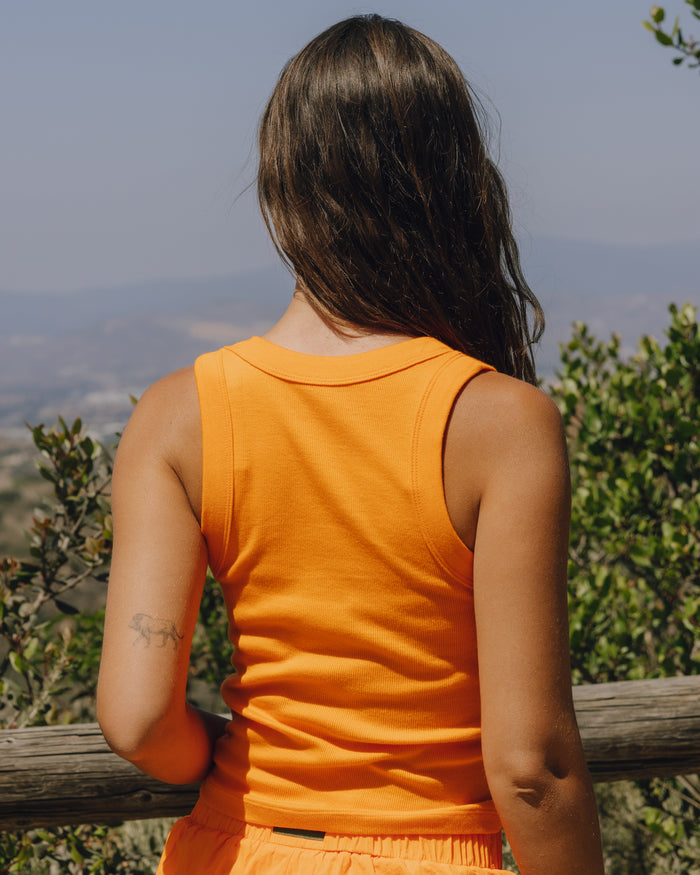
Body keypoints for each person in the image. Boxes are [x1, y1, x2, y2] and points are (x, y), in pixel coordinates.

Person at [97, 14, 605, 875]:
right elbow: (532, 768)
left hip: (234, 848)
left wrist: (231, 757)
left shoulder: (175, 415)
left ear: (281, 187)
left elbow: (138, 719)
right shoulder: (501, 422)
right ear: (455, 186)